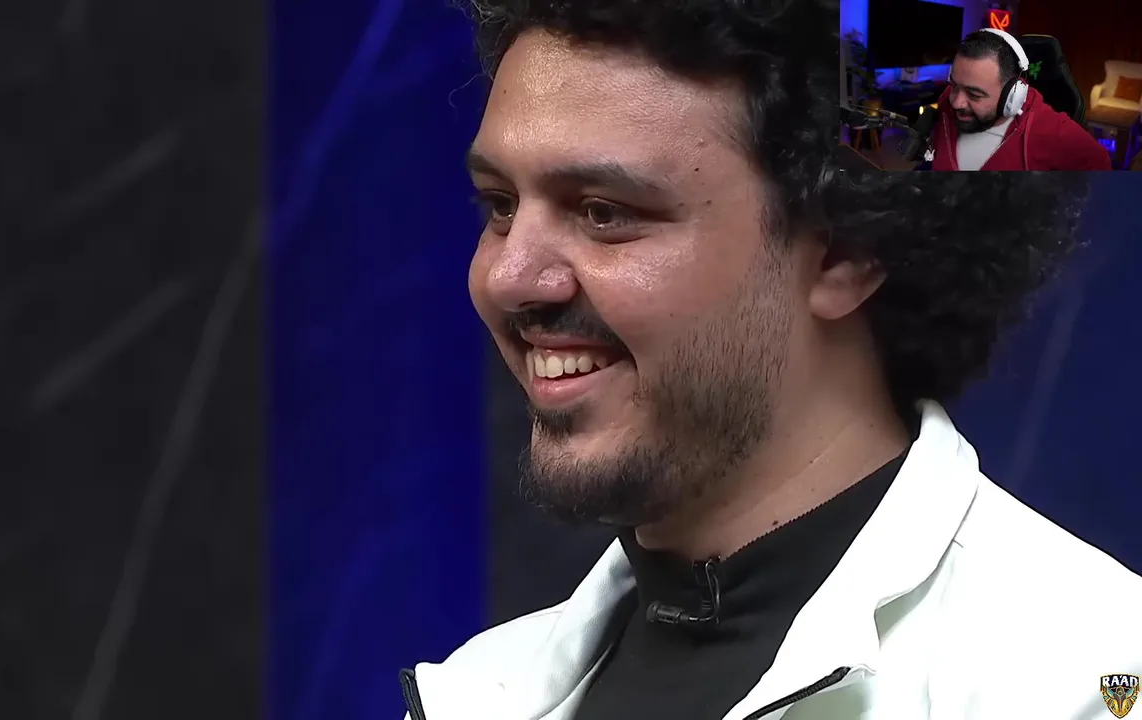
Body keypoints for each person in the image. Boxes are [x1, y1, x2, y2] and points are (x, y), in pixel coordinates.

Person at [400, 1, 1142, 718]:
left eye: (604, 212)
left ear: (845, 250)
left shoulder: (1086, 677)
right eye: (499, 205)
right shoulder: (475, 690)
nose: (507, 277)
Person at [928, 29, 1112, 171]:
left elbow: (1099, 163)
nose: (956, 103)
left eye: (974, 94)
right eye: (954, 85)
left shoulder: (1051, 130)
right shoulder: (947, 102)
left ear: (1012, 95)